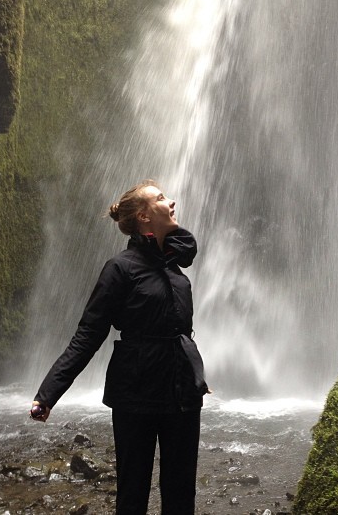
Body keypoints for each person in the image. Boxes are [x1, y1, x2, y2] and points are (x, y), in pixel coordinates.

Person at [30, 180, 208, 515]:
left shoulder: (172, 263)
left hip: (183, 390)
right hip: (135, 392)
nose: (171, 201)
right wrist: (48, 394)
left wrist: (168, 228)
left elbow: (187, 249)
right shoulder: (120, 268)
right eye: (160, 199)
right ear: (143, 216)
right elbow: (88, 335)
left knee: (181, 491)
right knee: (132, 492)